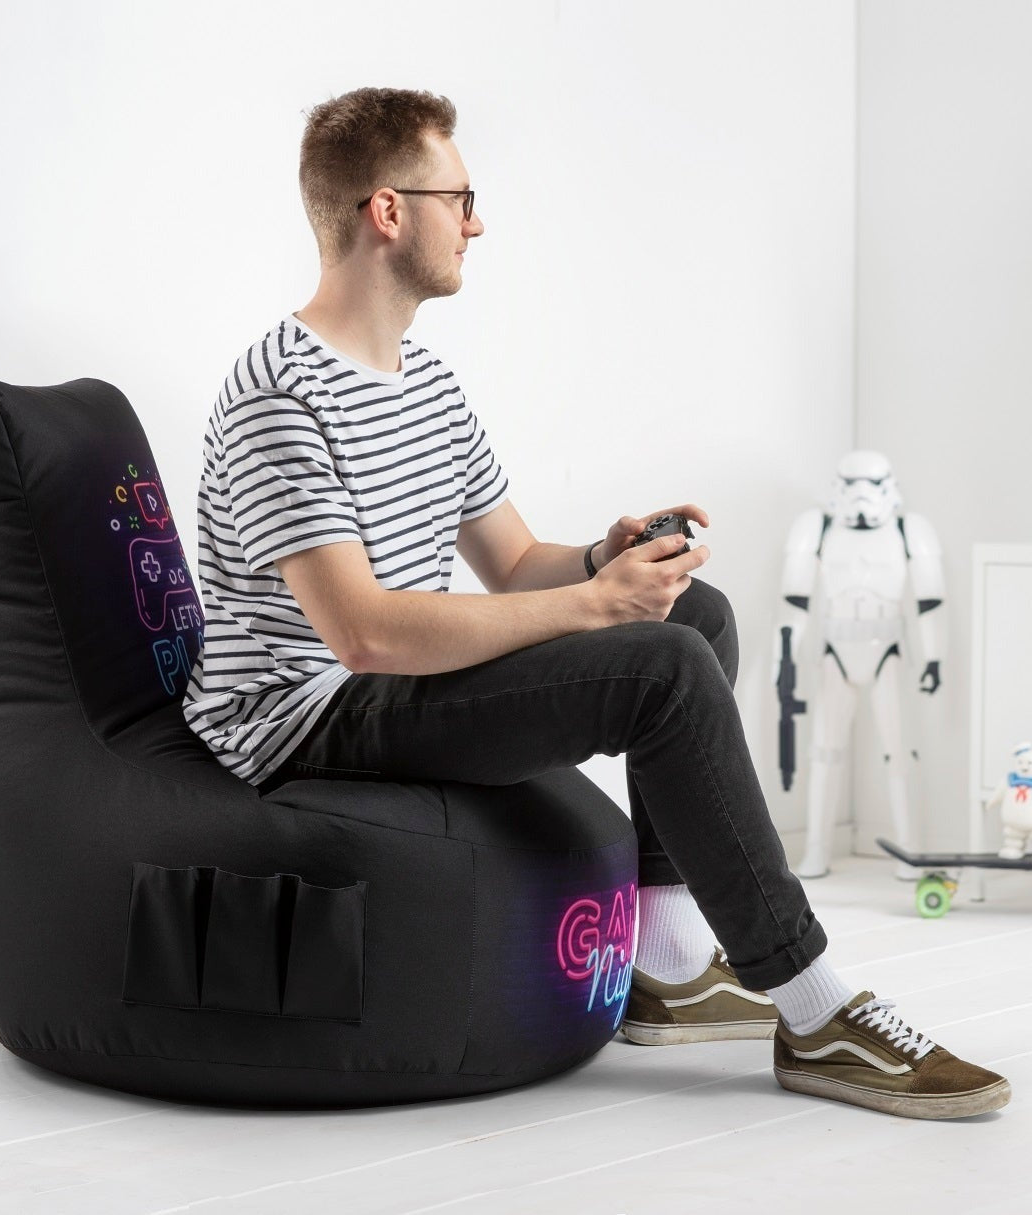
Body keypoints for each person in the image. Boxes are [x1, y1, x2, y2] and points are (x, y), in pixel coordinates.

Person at [183, 86, 1010, 1120]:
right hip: (306, 717)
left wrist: (603, 560)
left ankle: (664, 969)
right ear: (387, 211)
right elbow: (364, 633)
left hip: (385, 678)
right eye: (462, 196)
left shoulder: (427, 382)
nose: (478, 221)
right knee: (655, 665)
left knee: (689, 616)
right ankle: (814, 1008)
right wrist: (593, 610)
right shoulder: (278, 393)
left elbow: (518, 559)